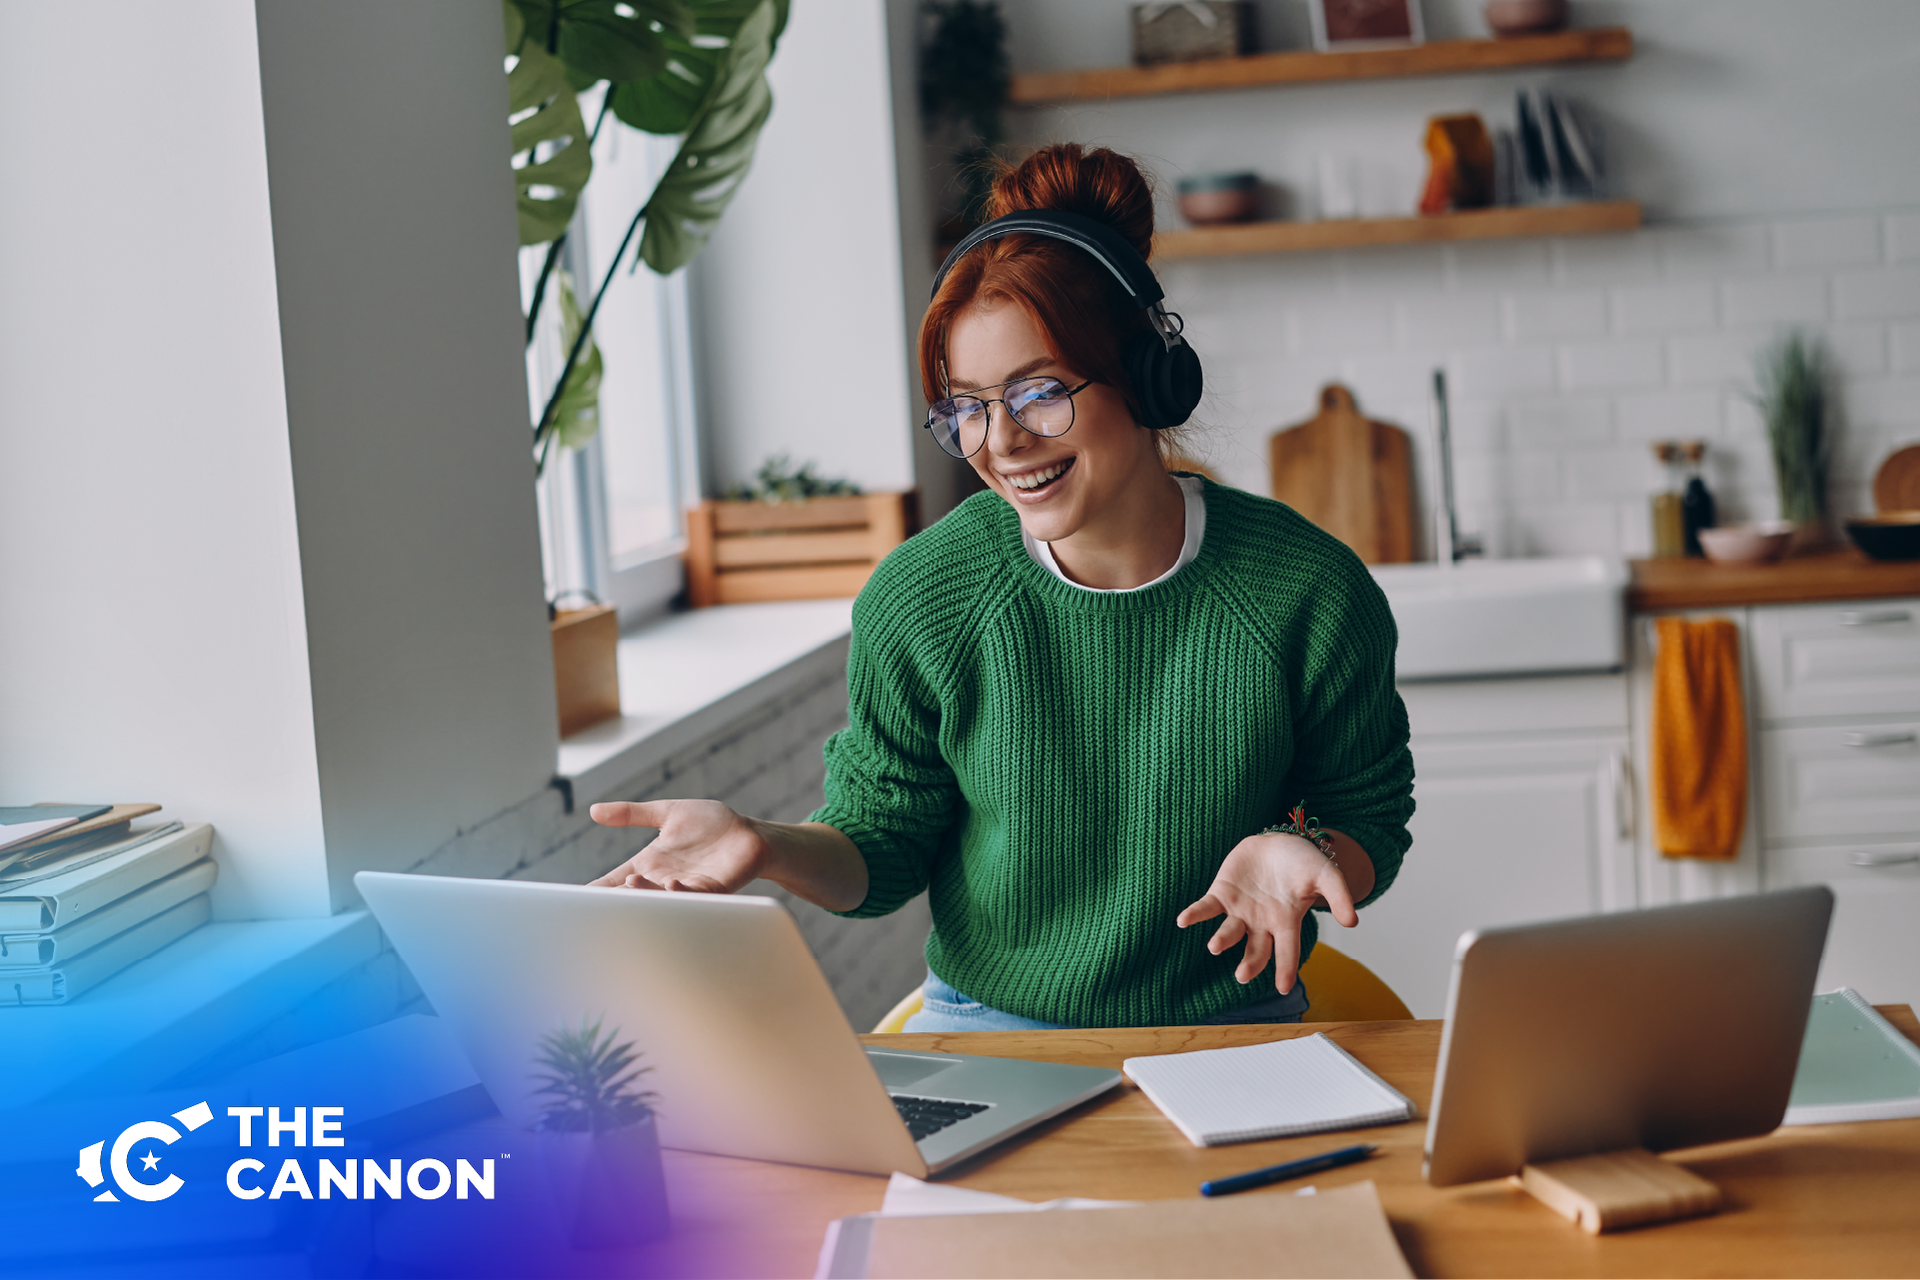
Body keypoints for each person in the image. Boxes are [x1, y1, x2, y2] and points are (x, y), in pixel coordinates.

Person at [589, 144, 1414, 1031]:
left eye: (1040, 393)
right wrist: (768, 845)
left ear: (1147, 374)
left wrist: (1304, 846)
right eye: (968, 406)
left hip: (1229, 1027)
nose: (1003, 442)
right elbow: (883, 848)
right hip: (989, 1032)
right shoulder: (924, 597)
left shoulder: (1305, 589)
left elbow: (1368, 814)